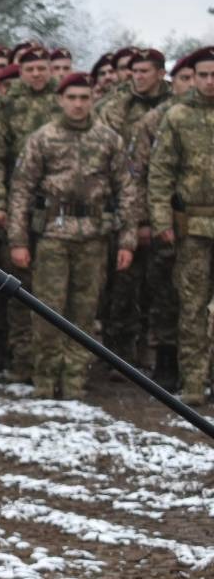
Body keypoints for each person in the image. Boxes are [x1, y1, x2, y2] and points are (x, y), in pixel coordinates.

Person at [8, 72, 137, 399]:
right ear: (61, 100)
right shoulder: (43, 138)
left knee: (85, 310)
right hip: (53, 234)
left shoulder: (109, 139)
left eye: (84, 98)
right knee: (48, 309)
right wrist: (18, 240)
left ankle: (75, 379)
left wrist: (127, 240)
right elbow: (22, 189)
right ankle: (45, 378)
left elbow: (127, 190)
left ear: (92, 100)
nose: (78, 104)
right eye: (72, 98)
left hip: (94, 237)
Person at [0, 44, 58, 381]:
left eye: (42, 68)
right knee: (17, 286)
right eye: (30, 69)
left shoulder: (64, 103)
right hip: (17, 206)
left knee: (52, 287)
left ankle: (48, 363)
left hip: (57, 209)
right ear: (20, 71)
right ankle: (20, 358)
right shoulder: (5, 107)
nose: (37, 74)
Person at [148, 46, 214, 407]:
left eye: (213, 74)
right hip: (194, 227)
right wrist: (161, 220)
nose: (208, 81)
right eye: (202, 74)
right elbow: (160, 172)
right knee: (192, 307)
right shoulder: (178, 115)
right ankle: (193, 381)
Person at [128, 51, 199, 386]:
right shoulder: (160, 119)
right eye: (186, 77)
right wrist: (148, 221)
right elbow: (143, 176)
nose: (194, 84)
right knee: (168, 295)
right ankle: (170, 363)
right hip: (173, 221)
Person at [98, 48, 171, 365]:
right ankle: (118, 352)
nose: (137, 77)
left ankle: (153, 348)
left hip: (165, 206)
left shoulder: (175, 107)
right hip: (124, 204)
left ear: (160, 73)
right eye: (134, 71)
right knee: (123, 284)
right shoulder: (115, 107)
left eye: (144, 71)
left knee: (160, 286)